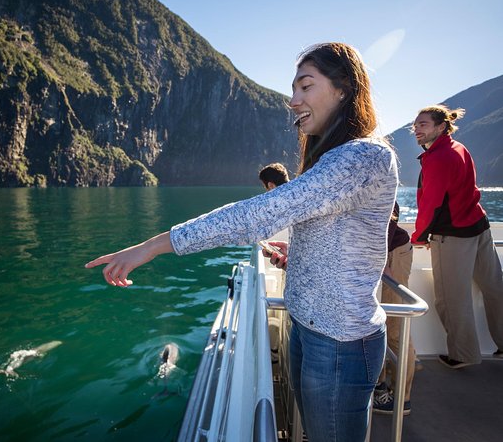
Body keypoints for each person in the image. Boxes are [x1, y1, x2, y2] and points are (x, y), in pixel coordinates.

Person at [86, 42, 398, 442]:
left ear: (343, 89)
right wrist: (301, 254)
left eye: (305, 86)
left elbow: (259, 215)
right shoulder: (334, 157)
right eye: (293, 89)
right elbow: (336, 232)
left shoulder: (362, 157)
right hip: (311, 328)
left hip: (339, 342)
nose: (293, 100)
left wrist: (151, 246)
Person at [411, 105, 503, 368]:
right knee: (495, 288)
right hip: (479, 226)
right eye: (415, 125)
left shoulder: (438, 158)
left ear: (441, 127)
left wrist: (419, 236)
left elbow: (431, 204)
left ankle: (463, 355)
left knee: (452, 299)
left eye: (423, 124)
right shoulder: (459, 148)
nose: (416, 129)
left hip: (453, 235)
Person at [373, 201, 415, 415]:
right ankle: (382, 386)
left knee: (396, 328)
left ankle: (402, 399)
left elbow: (391, 215)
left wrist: (384, 265)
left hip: (394, 255)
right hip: (383, 257)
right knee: (382, 326)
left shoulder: (380, 183)